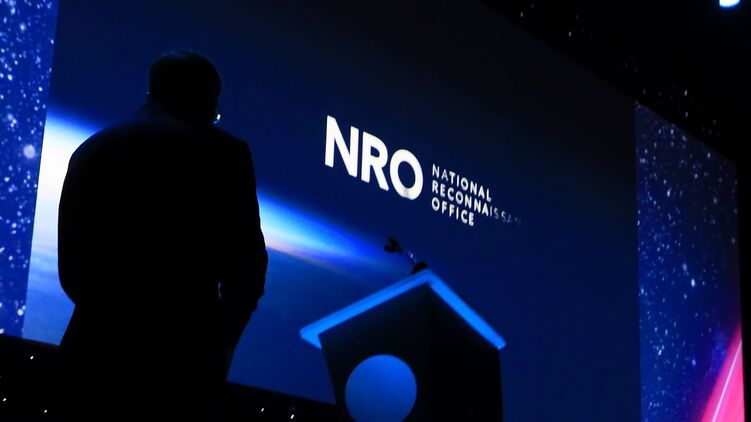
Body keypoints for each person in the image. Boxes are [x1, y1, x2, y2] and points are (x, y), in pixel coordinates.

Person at [55, 51, 268, 421]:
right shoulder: (223, 153)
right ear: (206, 99)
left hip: (88, 359)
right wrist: (216, 349)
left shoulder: (92, 149)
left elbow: (72, 270)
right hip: (178, 372)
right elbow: (248, 271)